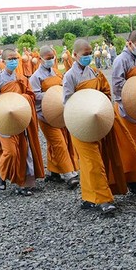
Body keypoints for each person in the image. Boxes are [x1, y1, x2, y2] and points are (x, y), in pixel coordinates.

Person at [63, 38, 136, 215]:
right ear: (75, 55)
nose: (88, 56)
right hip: (79, 122)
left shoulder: (95, 72)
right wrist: (84, 109)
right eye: (85, 54)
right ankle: (103, 199)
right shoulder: (69, 76)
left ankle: (88, 197)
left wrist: (100, 106)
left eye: (90, 53)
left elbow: (106, 92)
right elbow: (68, 102)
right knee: (93, 162)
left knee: (94, 160)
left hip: (97, 120)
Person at [0, 48, 44, 196]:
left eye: (15, 58)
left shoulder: (22, 78)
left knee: (24, 151)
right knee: (10, 152)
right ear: (3, 62)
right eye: (10, 59)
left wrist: (21, 100)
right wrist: (5, 107)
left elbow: (31, 95)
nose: (13, 61)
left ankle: (23, 184)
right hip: (5, 120)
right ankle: (2, 175)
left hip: (20, 119)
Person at [29, 46, 79, 187]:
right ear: (40, 59)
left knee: (61, 141)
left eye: (52, 58)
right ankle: (69, 174)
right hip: (44, 115)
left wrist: (59, 95)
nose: (51, 60)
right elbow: (35, 95)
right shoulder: (35, 77)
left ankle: (54, 172)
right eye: (48, 58)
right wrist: (52, 95)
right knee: (58, 142)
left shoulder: (57, 73)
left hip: (59, 113)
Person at [109, 30, 136, 172]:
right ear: (130, 43)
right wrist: (130, 99)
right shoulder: (121, 60)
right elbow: (117, 86)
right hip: (126, 107)